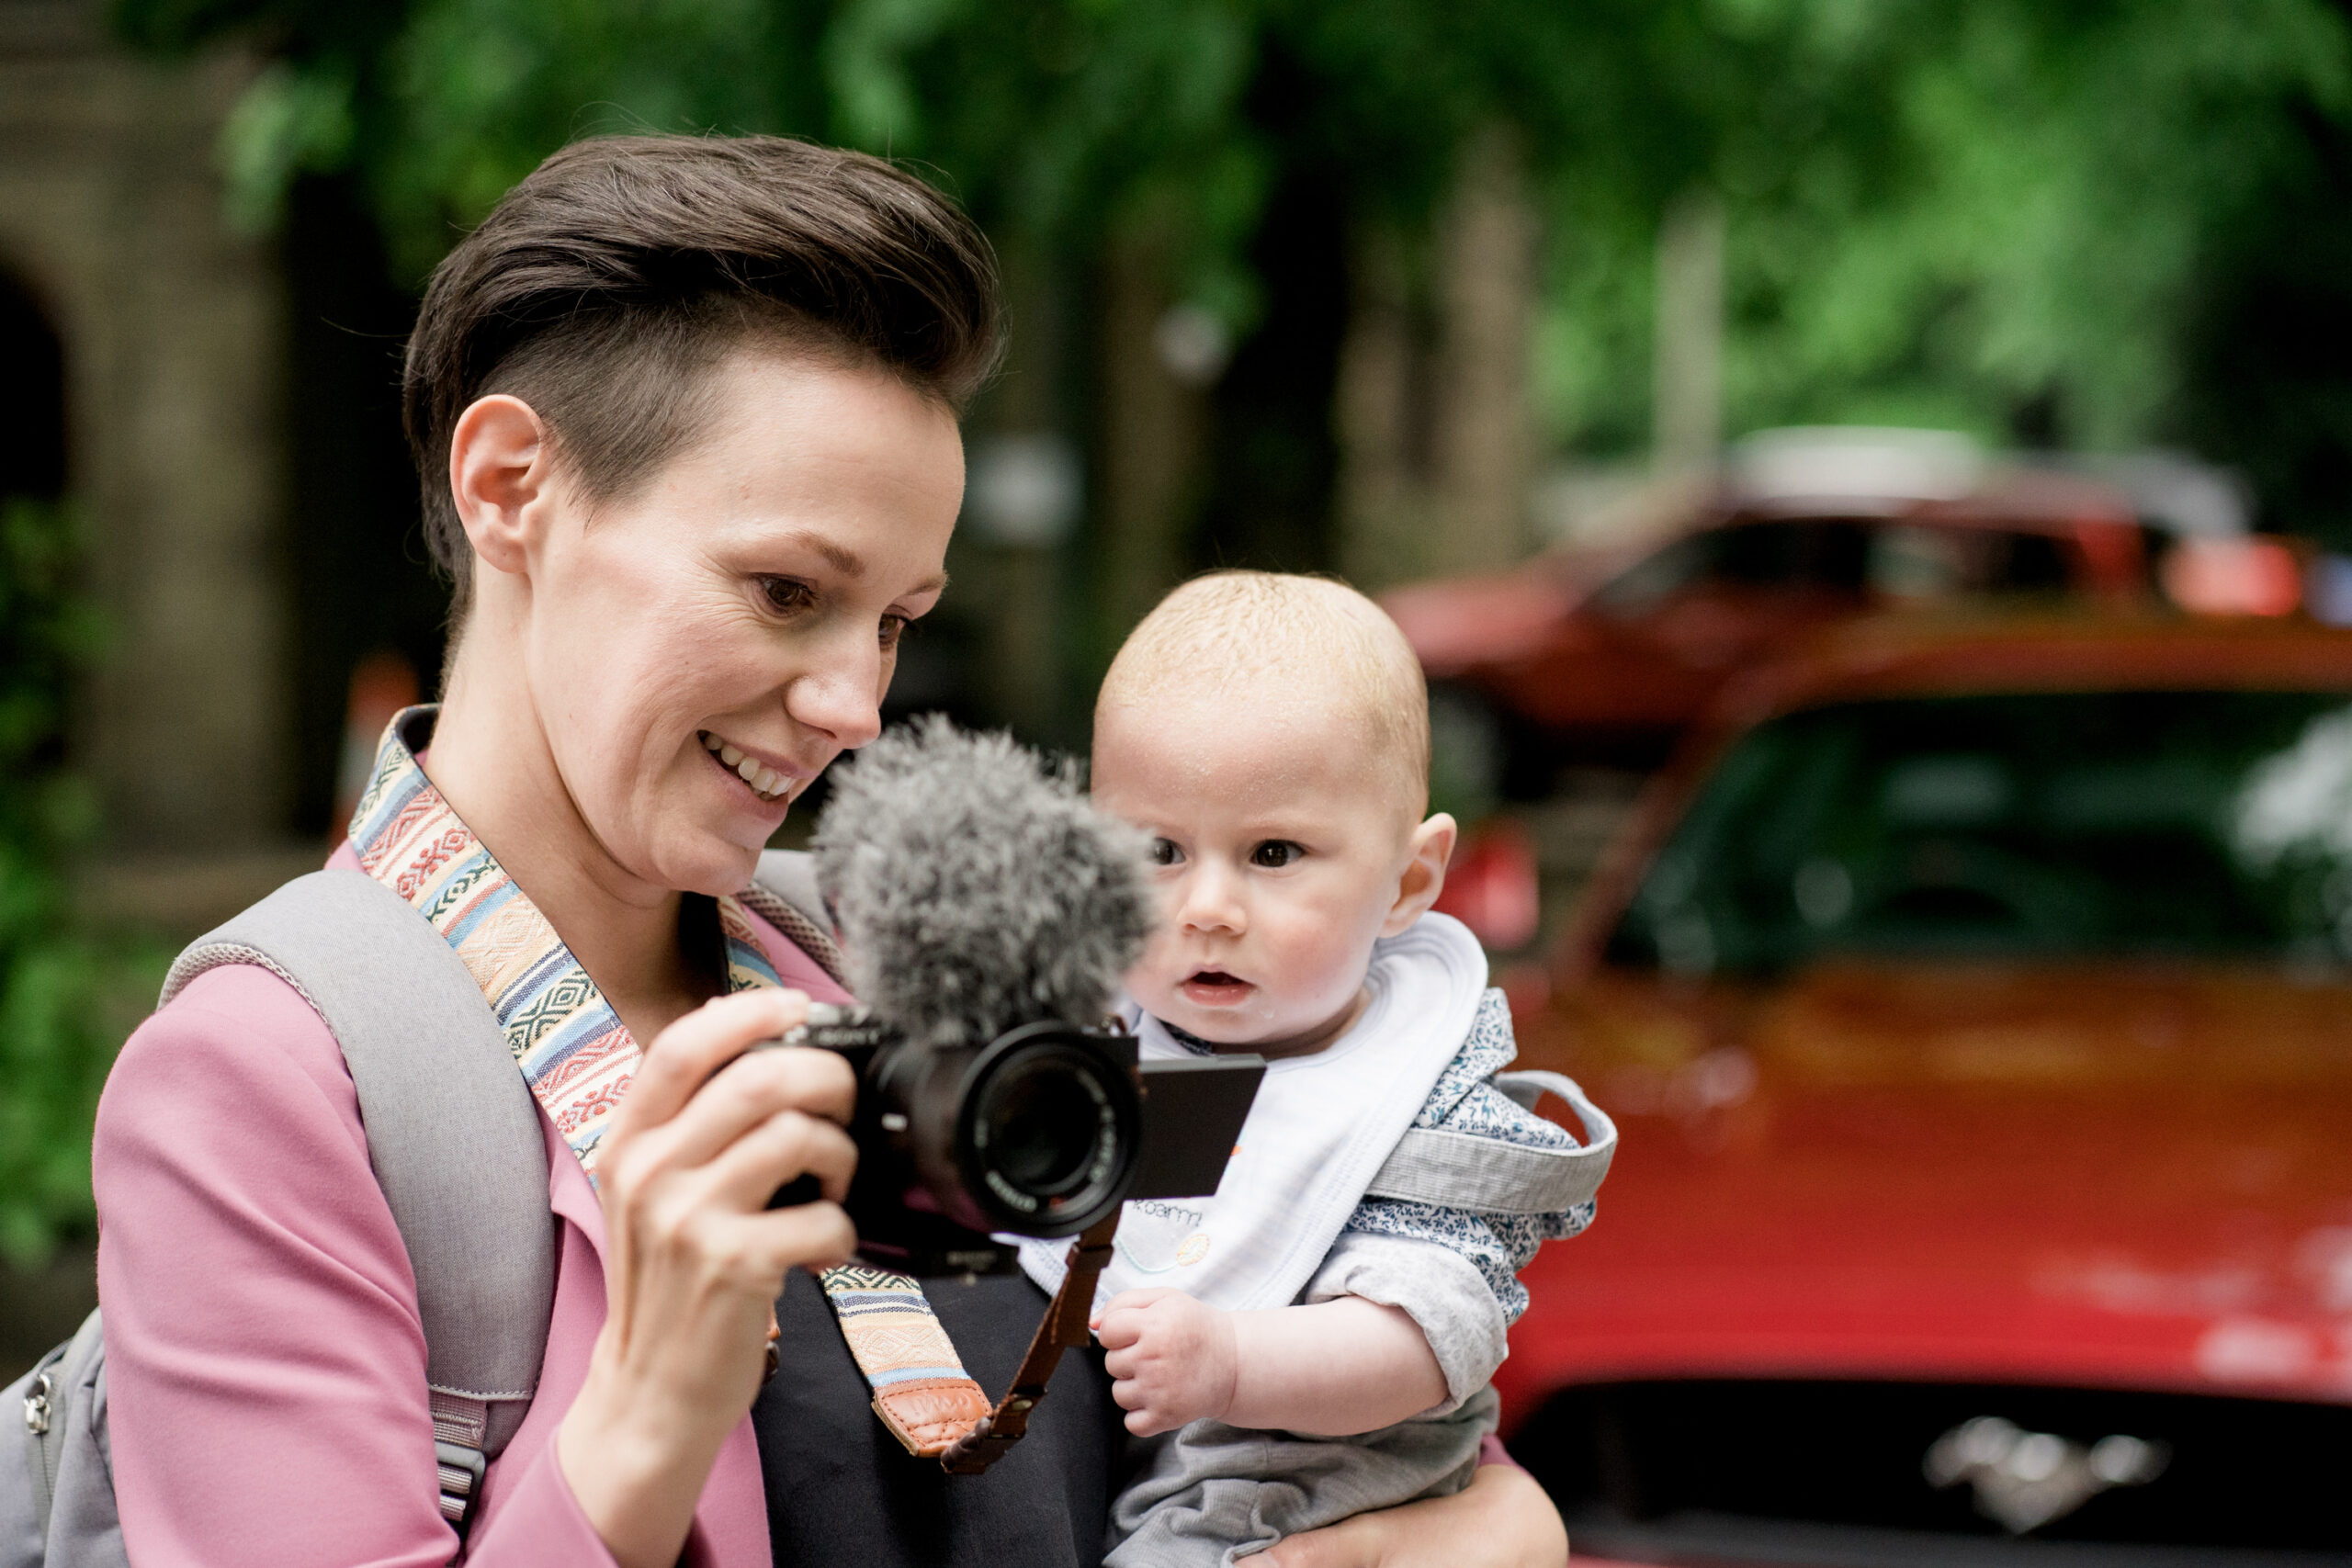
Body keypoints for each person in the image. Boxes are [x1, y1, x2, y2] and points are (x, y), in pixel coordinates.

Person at [91, 134, 1571, 1568]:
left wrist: (1499, 1529)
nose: (855, 705)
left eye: (894, 621)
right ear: (510, 485)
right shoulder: (272, 1087)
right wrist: (648, 1409)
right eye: (787, 590)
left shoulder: (911, 963)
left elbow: (1364, 1430)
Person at [1018, 571, 1606, 1567]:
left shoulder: (1419, 1095)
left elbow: (1428, 1342)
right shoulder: (1091, 1023)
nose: (1207, 906)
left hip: (1300, 1497)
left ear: (1409, 880)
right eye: (1157, 848)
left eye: (1274, 852)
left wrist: (1232, 1360)